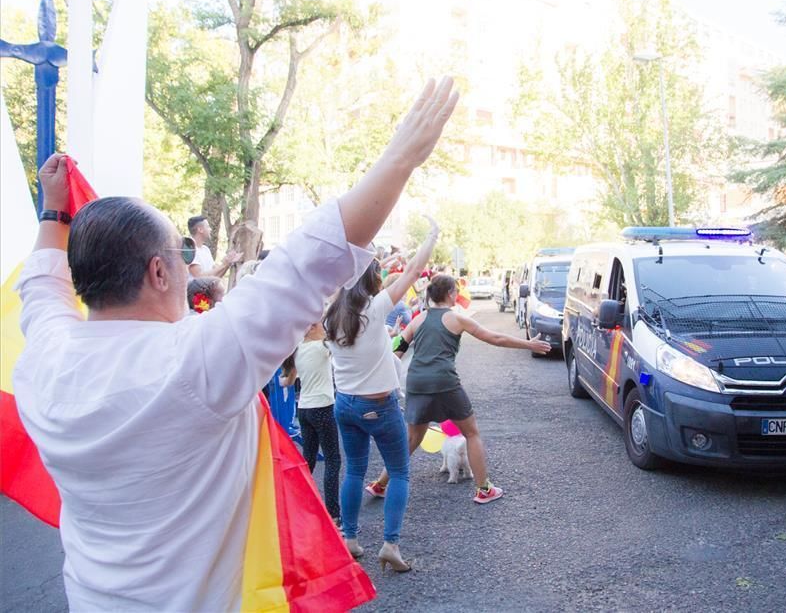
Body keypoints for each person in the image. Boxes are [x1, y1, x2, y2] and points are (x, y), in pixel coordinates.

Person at [12, 77, 459, 610]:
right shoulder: (192, 362)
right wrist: (402, 156)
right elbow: (311, 259)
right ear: (159, 272)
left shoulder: (44, 357)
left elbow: (41, 285)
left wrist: (54, 210)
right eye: (181, 253)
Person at [368, 273, 551, 506]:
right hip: (444, 381)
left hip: (416, 382)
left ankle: (379, 484)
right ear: (450, 294)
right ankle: (484, 489)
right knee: (471, 432)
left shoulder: (418, 319)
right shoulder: (456, 319)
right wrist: (528, 344)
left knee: (412, 438)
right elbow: (494, 338)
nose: (457, 294)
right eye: (455, 291)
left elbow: (397, 350)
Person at [323, 216, 441, 573]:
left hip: (345, 404)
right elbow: (414, 271)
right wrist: (431, 235)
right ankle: (390, 544)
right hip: (380, 404)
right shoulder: (375, 309)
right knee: (399, 472)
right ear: (372, 282)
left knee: (354, 471)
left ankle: (350, 538)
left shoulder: (331, 312)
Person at [280, 321, 341, 520]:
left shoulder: (297, 350)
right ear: (313, 327)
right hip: (322, 407)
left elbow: (287, 382)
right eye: (322, 325)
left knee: (309, 458)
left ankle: (298, 502)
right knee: (333, 460)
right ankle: (333, 514)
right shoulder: (323, 346)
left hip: (304, 409)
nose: (325, 328)